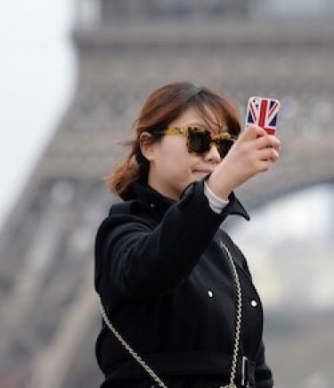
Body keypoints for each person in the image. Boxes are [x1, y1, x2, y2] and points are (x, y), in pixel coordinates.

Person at [94, 82, 281, 388]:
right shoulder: (121, 231)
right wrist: (216, 190)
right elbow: (152, 269)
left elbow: (255, 369)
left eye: (223, 144)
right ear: (148, 145)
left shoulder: (228, 253)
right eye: (197, 139)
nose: (213, 155)